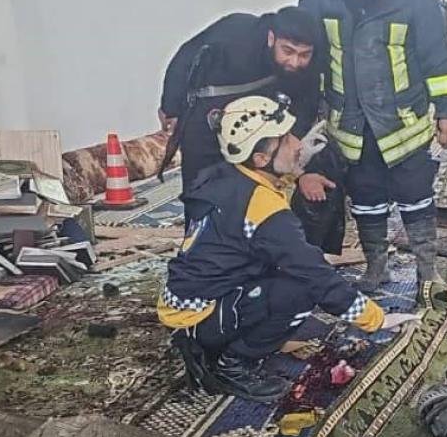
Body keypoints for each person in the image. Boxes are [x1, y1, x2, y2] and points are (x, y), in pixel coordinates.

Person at [159, 95, 413, 401]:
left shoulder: (227, 175)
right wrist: (376, 319)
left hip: (188, 304)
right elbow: (315, 275)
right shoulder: (263, 209)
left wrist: (295, 170)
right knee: (301, 289)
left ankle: (227, 334)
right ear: (260, 159)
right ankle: (230, 366)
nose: (296, 144)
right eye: (286, 139)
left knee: (282, 268)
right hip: (199, 318)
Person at [298, 0, 447, 292]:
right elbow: (308, 58)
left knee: (417, 198)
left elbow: (438, 60)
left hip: (404, 124)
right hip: (350, 123)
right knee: (365, 199)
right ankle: (376, 267)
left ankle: (427, 271)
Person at [159, 7, 327, 196]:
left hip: (257, 126)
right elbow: (184, 58)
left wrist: (294, 136)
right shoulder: (236, 31)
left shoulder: (309, 60)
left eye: (304, 55)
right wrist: (170, 107)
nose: (294, 62)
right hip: (207, 115)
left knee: (253, 190)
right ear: (271, 38)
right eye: (287, 51)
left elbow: (307, 99)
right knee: (201, 188)